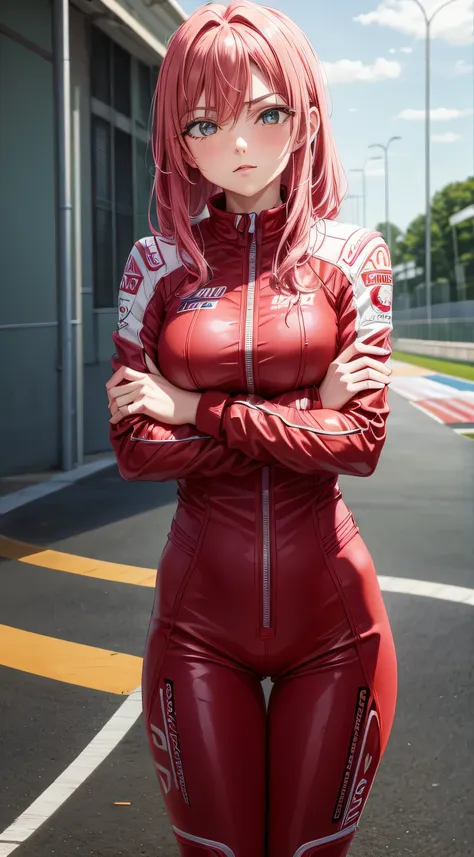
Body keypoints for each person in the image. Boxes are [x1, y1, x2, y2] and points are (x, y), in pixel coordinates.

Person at [105, 3, 398, 855]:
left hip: (337, 625)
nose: (238, 143)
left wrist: (195, 407)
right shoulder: (154, 264)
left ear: (304, 114)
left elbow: (362, 445)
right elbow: (133, 450)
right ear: (179, 137)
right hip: (197, 624)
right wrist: (310, 410)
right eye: (205, 121)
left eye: (265, 113)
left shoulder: (355, 256)